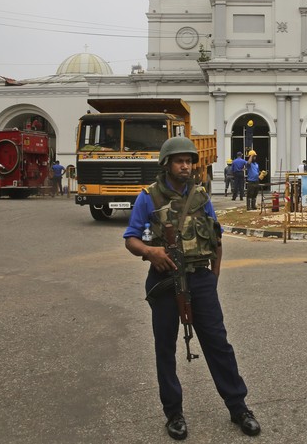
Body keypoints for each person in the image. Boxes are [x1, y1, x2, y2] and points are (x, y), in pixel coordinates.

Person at [122, 137, 260, 440]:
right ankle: (174, 413)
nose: (186, 165)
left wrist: (214, 277)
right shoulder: (148, 197)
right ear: (167, 164)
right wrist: (150, 252)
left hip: (200, 278)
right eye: (179, 161)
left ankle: (238, 407)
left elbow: (216, 237)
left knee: (218, 344)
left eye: (189, 161)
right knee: (165, 347)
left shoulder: (200, 196)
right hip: (165, 279)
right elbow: (131, 237)